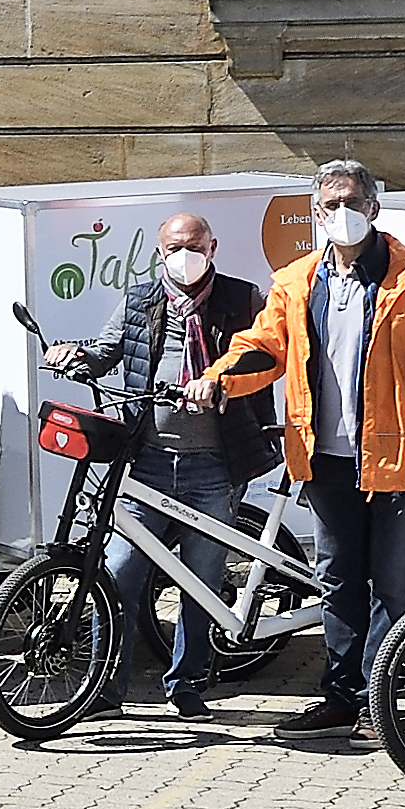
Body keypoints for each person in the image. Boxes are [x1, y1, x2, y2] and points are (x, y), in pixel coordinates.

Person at [196, 161, 405, 737]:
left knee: (396, 585)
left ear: (373, 208)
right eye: (328, 205)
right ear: (315, 213)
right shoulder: (296, 281)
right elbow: (263, 349)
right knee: (338, 580)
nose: (340, 214)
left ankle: (382, 701)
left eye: (351, 202)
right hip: (324, 460)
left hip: (399, 460)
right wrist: (219, 376)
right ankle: (344, 698)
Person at [83, 214, 278, 717]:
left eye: (194, 246)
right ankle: (105, 688)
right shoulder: (139, 300)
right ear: (158, 252)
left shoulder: (243, 299)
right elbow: (107, 351)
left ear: (213, 247)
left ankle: (188, 683)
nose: (184, 256)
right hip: (146, 462)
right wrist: (75, 357)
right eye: (174, 247)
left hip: (214, 464)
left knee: (202, 580)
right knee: (119, 574)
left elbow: (262, 357)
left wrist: (221, 378)